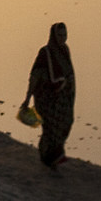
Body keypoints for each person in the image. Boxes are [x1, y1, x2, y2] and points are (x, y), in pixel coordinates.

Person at [27, 23, 75, 168]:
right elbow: (35, 75)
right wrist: (27, 98)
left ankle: (53, 155)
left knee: (66, 123)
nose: (62, 38)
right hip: (47, 98)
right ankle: (47, 157)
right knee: (50, 128)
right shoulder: (45, 53)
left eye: (64, 35)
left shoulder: (65, 50)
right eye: (59, 35)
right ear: (54, 36)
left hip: (63, 98)